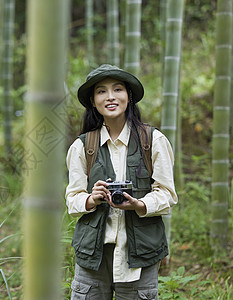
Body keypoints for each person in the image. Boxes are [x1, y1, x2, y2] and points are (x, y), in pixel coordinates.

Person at [65, 64, 178, 299]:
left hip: (140, 252)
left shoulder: (153, 140)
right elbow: (72, 200)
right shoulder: (82, 146)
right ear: (93, 101)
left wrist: (139, 205)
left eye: (118, 89)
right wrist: (91, 198)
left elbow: (167, 194)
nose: (110, 97)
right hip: (93, 255)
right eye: (101, 91)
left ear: (129, 96)